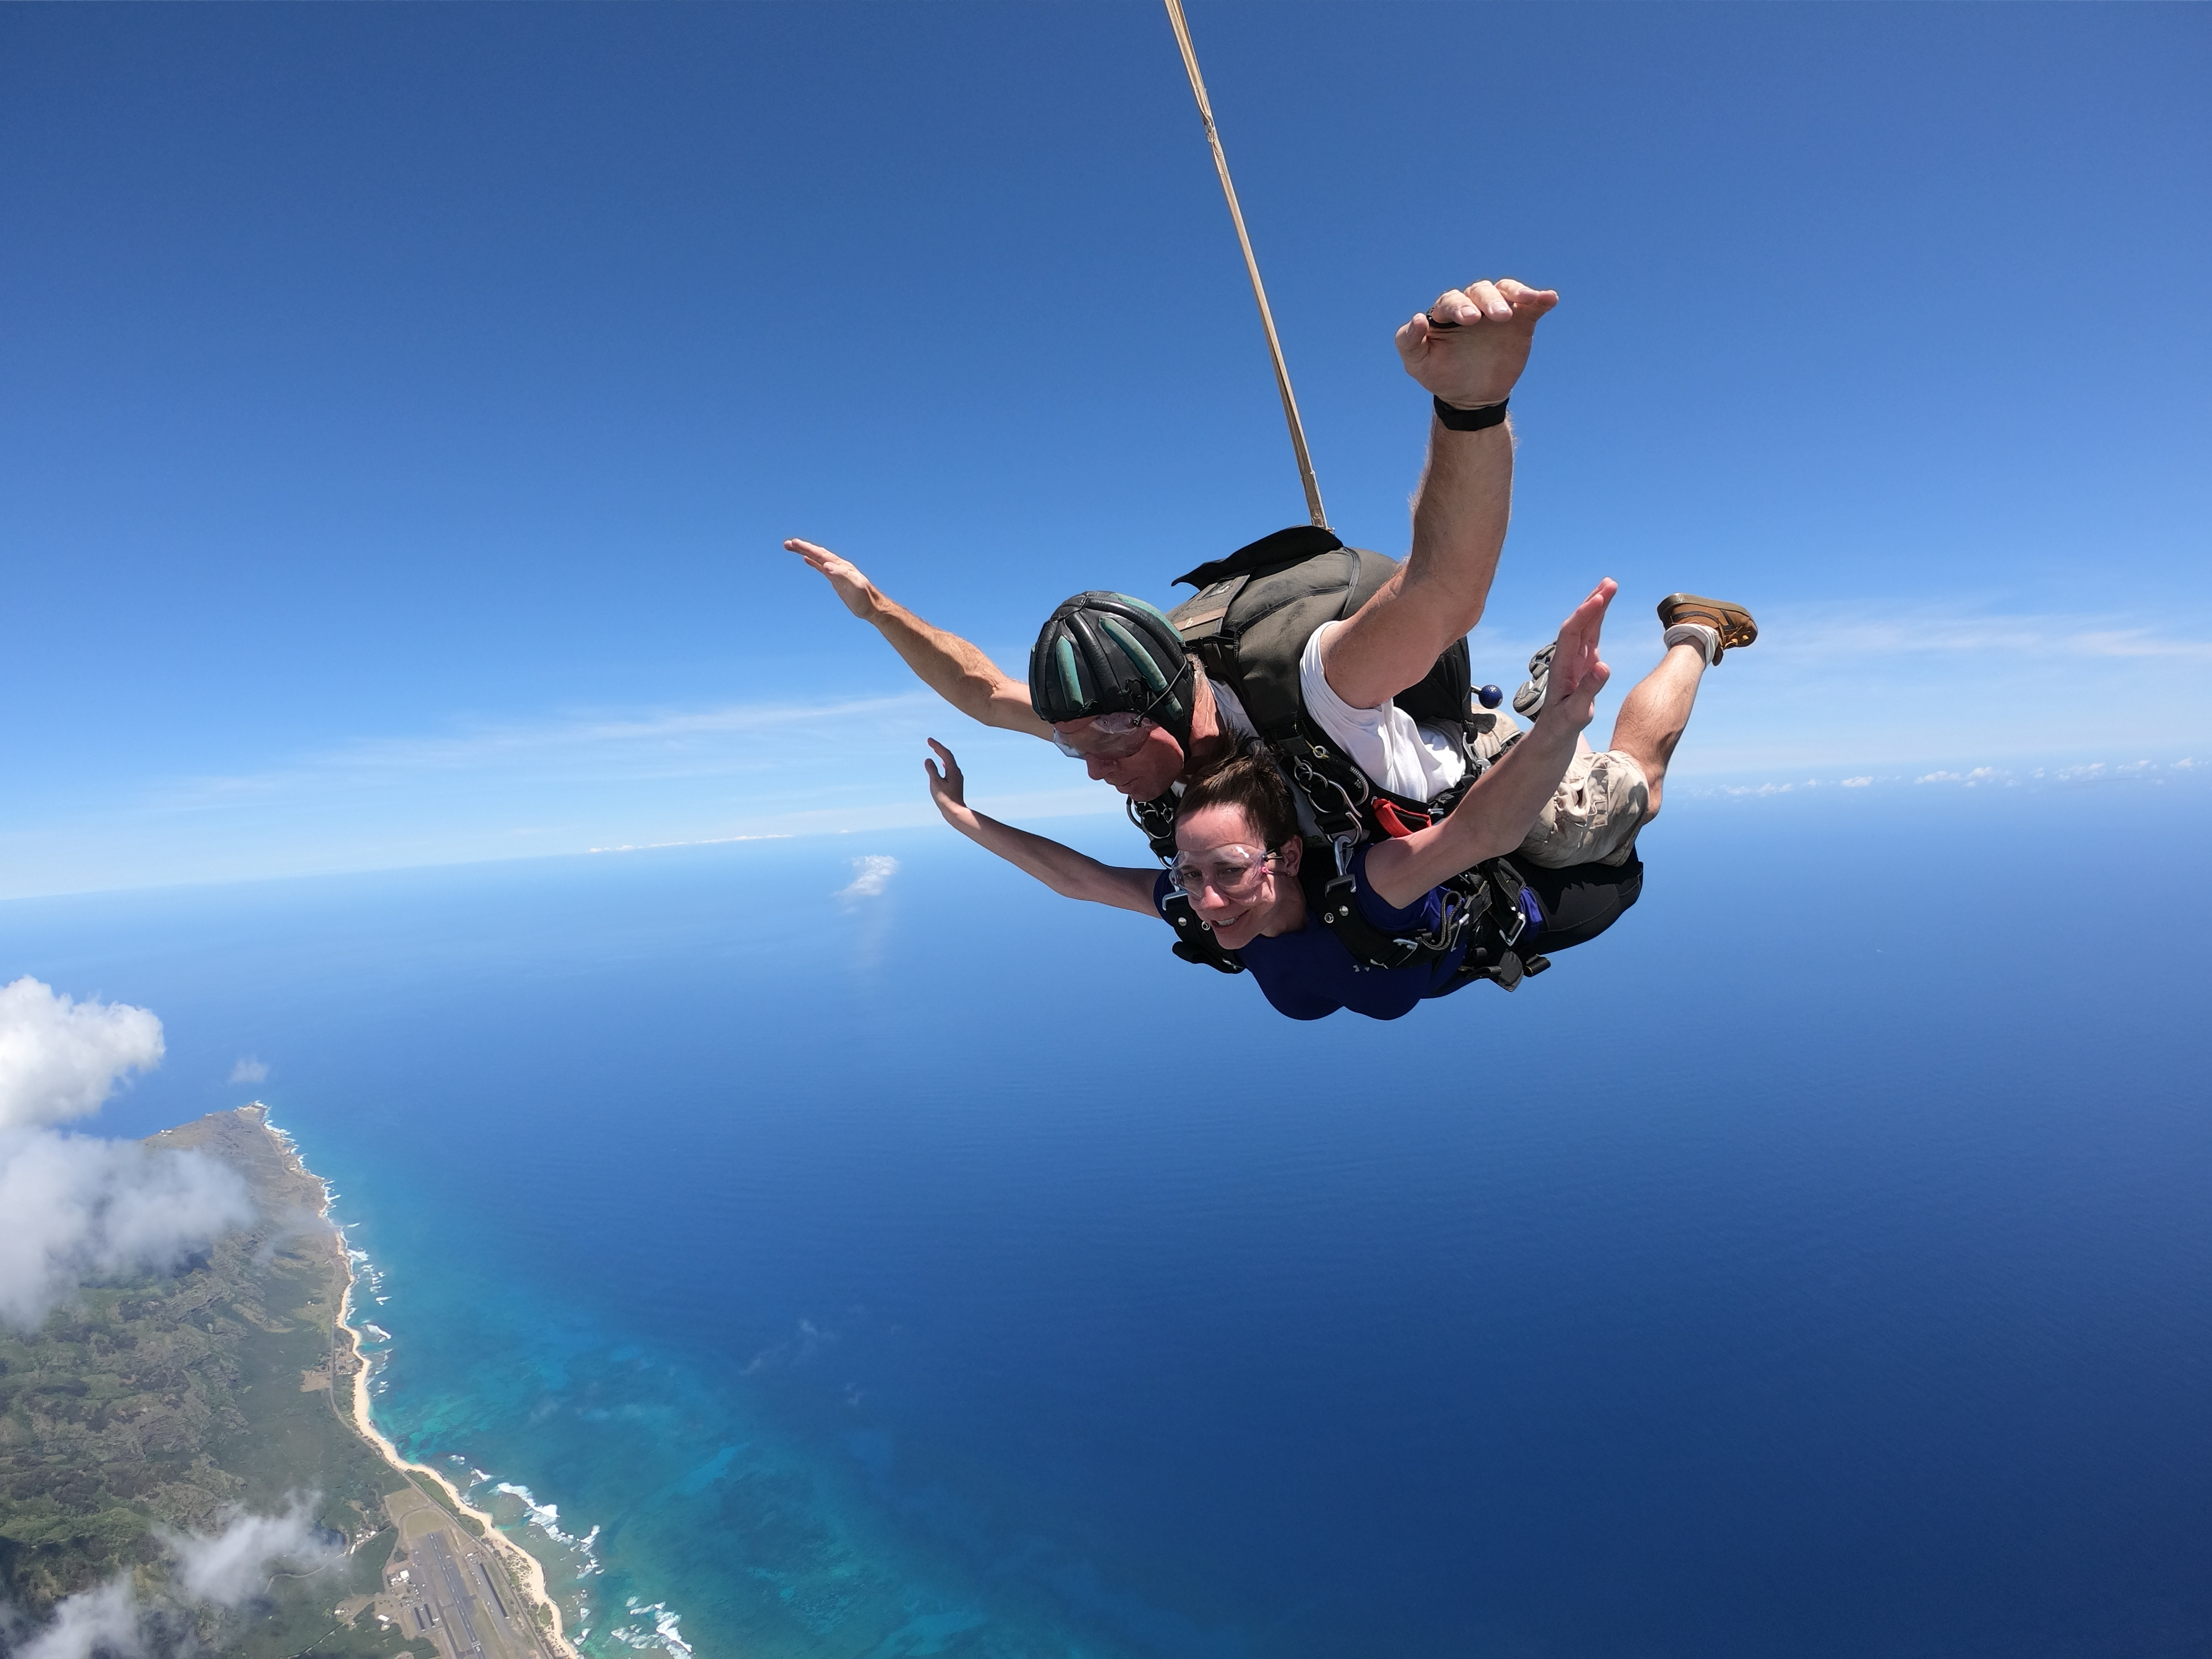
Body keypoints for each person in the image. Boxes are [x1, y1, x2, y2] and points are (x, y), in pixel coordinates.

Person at [787, 275, 1755, 887]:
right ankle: (1551, 688)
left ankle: (1693, 635)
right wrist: (875, 610)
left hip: (1474, 778)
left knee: (1627, 798)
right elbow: (978, 690)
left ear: (1172, 699)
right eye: (1071, 739)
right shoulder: (1116, 721)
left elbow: (1443, 595)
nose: (1087, 764)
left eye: (1104, 737)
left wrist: (1473, 407)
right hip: (1378, 776)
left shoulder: (1320, 682)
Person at [924, 576, 1729, 1020]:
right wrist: (967, 820)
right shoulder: (1200, 901)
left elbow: (1482, 831)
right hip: (1478, 886)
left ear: (1284, 858)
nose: (1203, 896)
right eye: (1191, 874)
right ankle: (1543, 702)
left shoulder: (1370, 891)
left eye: (1225, 871)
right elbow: (1079, 879)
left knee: (1640, 787)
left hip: (1552, 891)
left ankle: (1694, 635)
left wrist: (1562, 725)